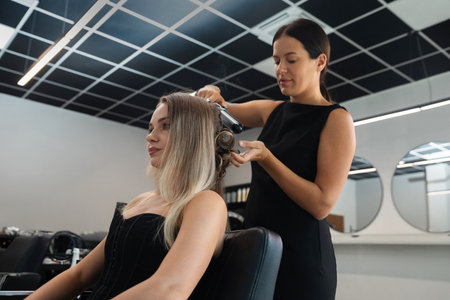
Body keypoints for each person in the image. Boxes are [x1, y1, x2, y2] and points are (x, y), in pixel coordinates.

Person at [198, 18, 355, 299]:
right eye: (276, 60)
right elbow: (219, 109)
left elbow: (321, 204)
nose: (280, 70)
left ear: (320, 62)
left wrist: (268, 158)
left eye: (291, 60)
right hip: (258, 251)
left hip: (302, 262)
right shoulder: (271, 111)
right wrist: (213, 94)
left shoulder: (336, 120)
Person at [26, 93, 235, 300]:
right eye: (150, 128)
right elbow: (79, 276)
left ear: (193, 135)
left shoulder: (206, 202)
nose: (150, 136)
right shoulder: (140, 201)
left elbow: (170, 289)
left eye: (166, 125)